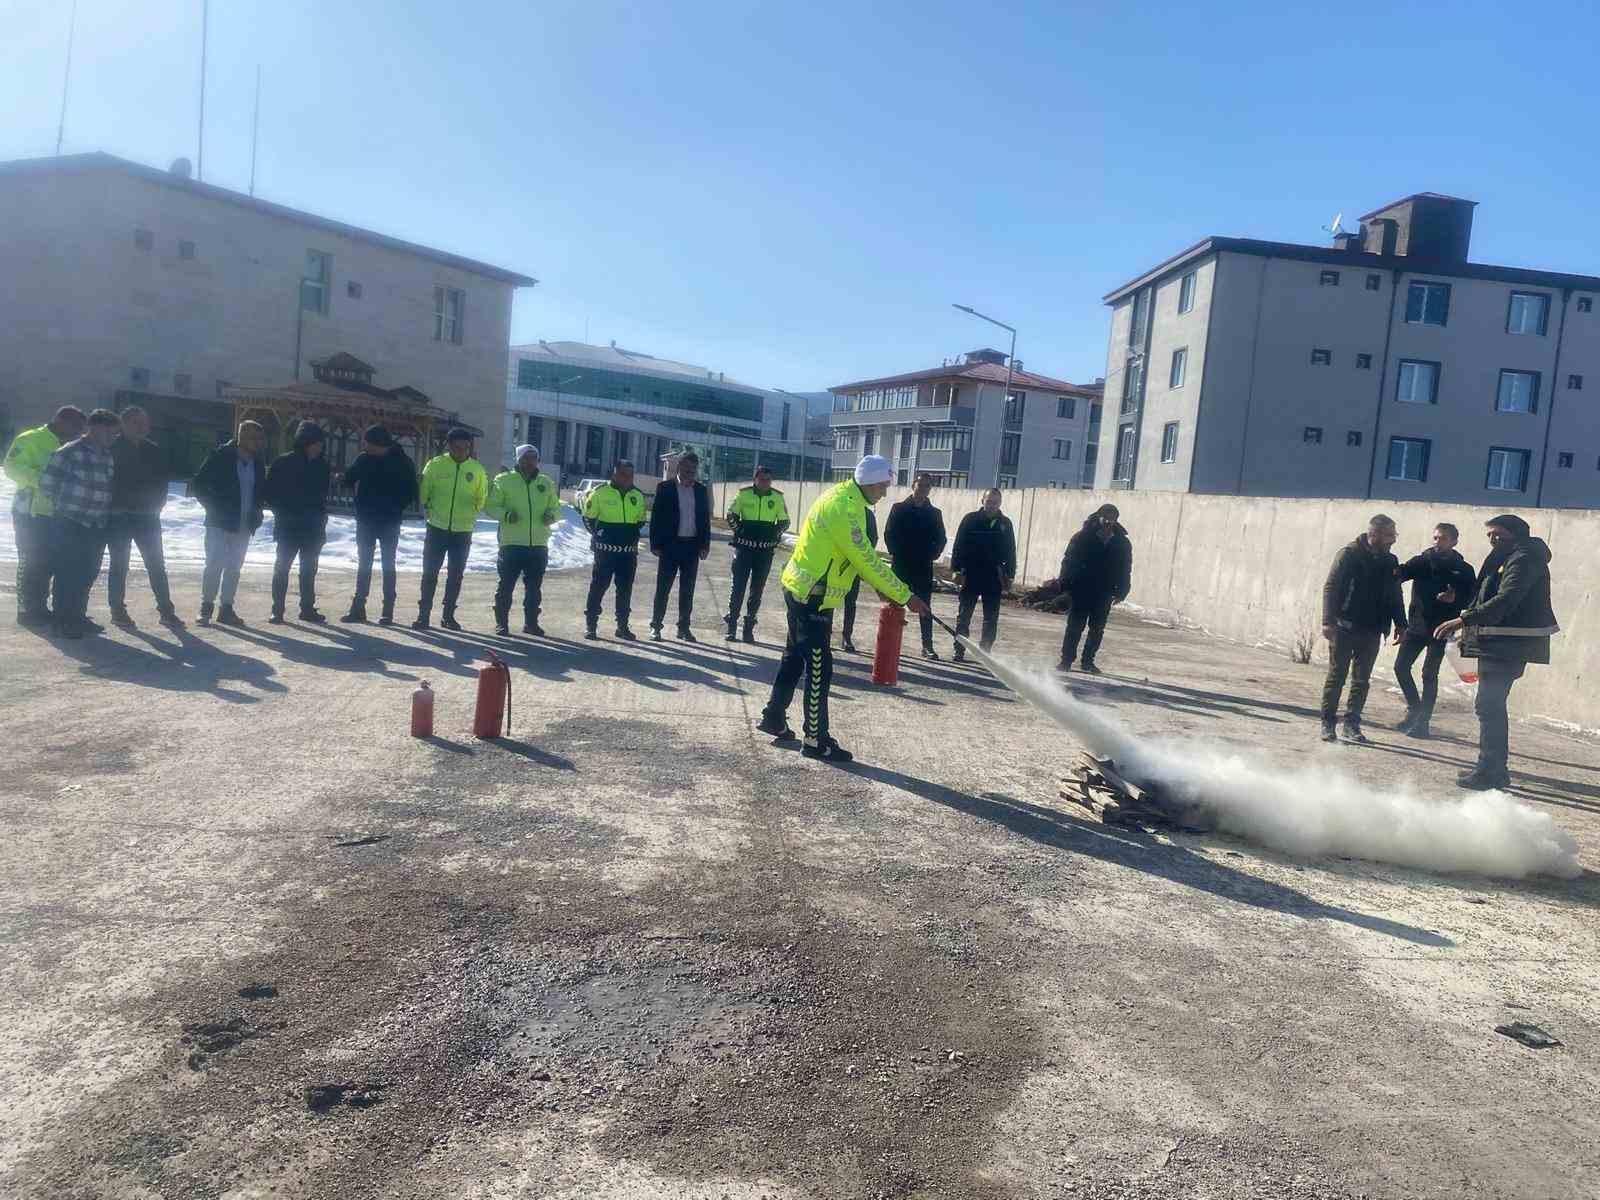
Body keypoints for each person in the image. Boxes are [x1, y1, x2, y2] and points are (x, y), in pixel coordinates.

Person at [757, 454, 928, 762]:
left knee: (795, 656)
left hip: (804, 589)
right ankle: (815, 739)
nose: (885, 492)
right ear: (869, 483)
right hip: (811, 595)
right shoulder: (845, 508)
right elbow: (866, 558)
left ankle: (774, 717)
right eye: (882, 486)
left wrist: (885, 589)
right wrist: (906, 596)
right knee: (821, 668)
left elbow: (858, 560)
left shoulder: (844, 497)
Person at [1434, 514, 1558, 791]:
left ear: (1516, 533)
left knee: (1489, 705)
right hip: (1498, 643)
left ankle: (1492, 772)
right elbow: (1488, 591)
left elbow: (1507, 598)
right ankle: (1490, 768)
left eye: (1497, 534)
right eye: (1489, 534)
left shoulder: (1524, 557)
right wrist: (1461, 599)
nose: (1492, 539)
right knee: (1489, 705)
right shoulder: (1508, 555)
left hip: (1510, 644)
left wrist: (1463, 620)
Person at [1318, 513, 1406, 744]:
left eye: (1394, 535)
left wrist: (1401, 623)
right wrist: (1328, 621)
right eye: (1389, 535)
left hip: (1373, 629)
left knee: (1361, 680)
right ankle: (1328, 723)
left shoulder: (1390, 560)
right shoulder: (1349, 554)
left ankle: (1352, 724)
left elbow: (1395, 594)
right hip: (1345, 626)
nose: (1393, 540)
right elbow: (1331, 587)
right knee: (1337, 676)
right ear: (1373, 534)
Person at [36, 409, 120, 638]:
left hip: (96, 525)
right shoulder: (69, 451)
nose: (113, 438)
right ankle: (63, 621)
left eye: (115, 434)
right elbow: (47, 484)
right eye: (110, 432)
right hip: (70, 523)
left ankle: (78, 617)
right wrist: (67, 506)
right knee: (68, 573)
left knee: (88, 573)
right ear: (95, 428)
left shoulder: (107, 455)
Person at [1393, 522, 1478, 739]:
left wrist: (1455, 598)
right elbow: (1400, 574)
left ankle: (1423, 724)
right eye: (1436, 538)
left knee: (1429, 675)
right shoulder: (1422, 561)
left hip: (1442, 630)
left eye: (1443, 538)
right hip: (1417, 626)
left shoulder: (1464, 570)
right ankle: (1414, 708)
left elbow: (1473, 599)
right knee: (1401, 667)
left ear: (1454, 542)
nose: (1438, 542)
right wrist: (1389, 567)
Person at [4, 405, 87, 627]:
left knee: (51, 562)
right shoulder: (31, 438)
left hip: (59, 513)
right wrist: (43, 480)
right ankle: (28, 611)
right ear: (61, 421)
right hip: (29, 511)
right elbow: (12, 467)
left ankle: (42, 607)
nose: (79, 433)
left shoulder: (73, 444)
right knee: (31, 561)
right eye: (76, 428)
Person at [105, 406, 181, 629]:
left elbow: (162, 481)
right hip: (119, 515)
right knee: (119, 564)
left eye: (145, 423)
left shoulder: (154, 450)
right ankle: (117, 610)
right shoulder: (111, 448)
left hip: (147, 516)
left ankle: (166, 611)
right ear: (124, 424)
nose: (142, 428)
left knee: (156, 564)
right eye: (137, 423)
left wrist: (158, 504)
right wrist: (113, 506)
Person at [190, 421, 268, 627]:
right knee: (214, 563)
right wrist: (212, 508)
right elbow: (198, 485)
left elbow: (260, 493)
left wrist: (258, 513)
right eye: (253, 437)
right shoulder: (220, 456)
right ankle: (206, 606)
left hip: (244, 524)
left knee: (234, 567)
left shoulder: (258, 463)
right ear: (240, 436)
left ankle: (226, 608)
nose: (257, 442)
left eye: (259, 439)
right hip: (219, 521)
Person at [340, 424, 418, 625]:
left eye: (368, 443)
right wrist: (345, 477)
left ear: (380, 444)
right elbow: (348, 480)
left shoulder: (402, 462)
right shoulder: (364, 458)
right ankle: (358, 608)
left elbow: (412, 492)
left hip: (389, 521)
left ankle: (387, 610)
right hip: (366, 519)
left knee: (388, 565)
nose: (365, 446)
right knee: (364, 564)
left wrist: (396, 507)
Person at [414, 427, 488, 631]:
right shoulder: (435, 465)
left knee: (456, 575)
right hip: (437, 528)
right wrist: (430, 509)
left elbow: (482, 497)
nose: (462, 451)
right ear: (449, 446)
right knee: (430, 573)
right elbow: (424, 493)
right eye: (457, 447)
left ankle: (448, 616)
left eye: (466, 447)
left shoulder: (477, 469)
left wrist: (475, 506)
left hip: (463, 531)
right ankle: (423, 615)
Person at [486, 444, 562, 637]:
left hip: (537, 545)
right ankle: (501, 624)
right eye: (525, 458)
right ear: (518, 460)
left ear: (538, 460)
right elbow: (491, 506)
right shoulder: (503, 480)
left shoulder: (546, 482)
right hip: (511, 544)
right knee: (506, 586)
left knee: (534, 589)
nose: (529, 462)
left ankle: (531, 623)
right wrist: (506, 515)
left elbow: (556, 508)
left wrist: (550, 516)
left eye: (533, 458)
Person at [264, 421, 331, 624]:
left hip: (313, 527)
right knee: (282, 568)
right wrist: (282, 512)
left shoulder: (322, 466)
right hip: (289, 525)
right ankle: (277, 610)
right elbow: (269, 492)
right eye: (317, 443)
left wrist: (321, 518)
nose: (320, 447)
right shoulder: (283, 463)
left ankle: (307, 609)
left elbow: (322, 495)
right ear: (306, 442)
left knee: (309, 570)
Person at [1057, 503, 1133, 674]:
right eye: (1105, 517)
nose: (1108, 521)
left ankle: (1088, 662)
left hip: (1105, 591)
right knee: (1075, 626)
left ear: (1116, 520)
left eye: (1112, 518)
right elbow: (1068, 561)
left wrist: (1123, 590)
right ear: (1098, 517)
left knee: (1097, 628)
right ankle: (1066, 660)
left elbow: (1125, 568)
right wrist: (1066, 584)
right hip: (1081, 589)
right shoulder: (1082, 537)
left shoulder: (1122, 542)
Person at [582, 458, 648, 640]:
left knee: (625, 590)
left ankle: (622, 626)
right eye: (624, 474)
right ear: (615, 473)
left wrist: (631, 534)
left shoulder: (637, 495)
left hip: (628, 553)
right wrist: (599, 535)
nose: (628, 478)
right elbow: (588, 518)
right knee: (598, 587)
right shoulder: (600, 493)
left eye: (630, 475)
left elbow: (641, 519)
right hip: (606, 552)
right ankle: (591, 625)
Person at [648, 451, 711, 641]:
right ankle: (656, 626)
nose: (689, 473)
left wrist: (704, 545)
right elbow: (656, 518)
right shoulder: (665, 488)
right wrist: (655, 544)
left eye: (693, 470)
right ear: (679, 467)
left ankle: (683, 628)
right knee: (663, 588)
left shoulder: (700, 490)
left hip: (691, 547)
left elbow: (704, 520)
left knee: (687, 590)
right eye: (686, 469)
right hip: (670, 546)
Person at [724, 465, 790, 643]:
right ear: (755, 479)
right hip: (744, 549)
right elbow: (731, 516)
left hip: (764, 552)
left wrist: (772, 535)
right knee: (738, 588)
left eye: (768, 480)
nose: (765, 483)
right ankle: (731, 627)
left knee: (757, 591)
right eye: (761, 479)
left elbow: (785, 522)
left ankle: (748, 629)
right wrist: (741, 532)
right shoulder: (743, 494)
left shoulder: (777, 497)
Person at [884, 472, 946, 658]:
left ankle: (927, 646)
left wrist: (932, 555)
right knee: (894, 605)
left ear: (930, 489)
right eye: (920, 485)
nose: (923, 489)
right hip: (901, 565)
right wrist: (897, 552)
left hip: (923, 567)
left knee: (924, 607)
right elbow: (889, 533)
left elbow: (940, 539)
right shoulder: (899, 509)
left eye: (927, 486)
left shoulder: (935, 514)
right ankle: (890, 645)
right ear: (913, 486)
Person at [950, 488, 1016, 663]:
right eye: (989, 501)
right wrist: (956, 569)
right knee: (964, 615)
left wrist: (1010, 575)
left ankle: (984, 652)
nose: (992, 505)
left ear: (1000, 503)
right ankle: (959, 650)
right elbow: (958, 545)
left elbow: (1011, 551)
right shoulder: (970, 520)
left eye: (995, 502)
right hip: (971, 573)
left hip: (994, 576)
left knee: (991, 618)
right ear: (982, 501)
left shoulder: (1005, 524)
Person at [838, 506, 879, 653]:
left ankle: (846, 636)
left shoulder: (867, 514)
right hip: (834, 562)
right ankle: (824, 633)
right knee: (827, 600)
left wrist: (862, 559)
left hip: (853, 564)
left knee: (850, 602)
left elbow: (873, 538)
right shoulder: (838, 509)